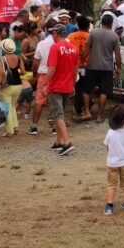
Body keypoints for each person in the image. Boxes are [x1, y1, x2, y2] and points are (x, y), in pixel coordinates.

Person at [81, 14, 122, 123]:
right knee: (104, 92)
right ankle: (99, 116)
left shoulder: (93, 32)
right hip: (107, 68)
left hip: (92, 66)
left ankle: (87, 112)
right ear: (111, 24)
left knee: (85, 90)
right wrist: (118, 68)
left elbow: (87, 48)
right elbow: (118, 55)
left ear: (101, 22)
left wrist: (81, 60)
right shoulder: (114, 36)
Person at [46, 25, 79, 155]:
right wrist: (73, 84)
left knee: (58, 114)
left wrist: (45, 83)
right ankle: (59, 141)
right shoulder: (73, 47)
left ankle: (67, 142)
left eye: (52, 33)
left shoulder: (55, 47)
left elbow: (52, 67)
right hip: (67, 85)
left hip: (56, 85)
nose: (52, 35)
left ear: (56, 34)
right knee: (59, 113)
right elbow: (75, 68)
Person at [104, 105, 124, 215]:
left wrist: (112, 155)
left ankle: (109, 207)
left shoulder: (110, 133)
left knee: (111, 184)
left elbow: (107, 147)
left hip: (112, 163)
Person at [0, 38, 24, 137]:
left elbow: (0, 73)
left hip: (6, 86)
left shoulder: (1, 60)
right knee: (12, 106)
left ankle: (9, 131)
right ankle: (15, 127)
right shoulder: (18, 57)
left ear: (3, 48)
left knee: (6, 108)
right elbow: (23, 72)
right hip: (18, 85)